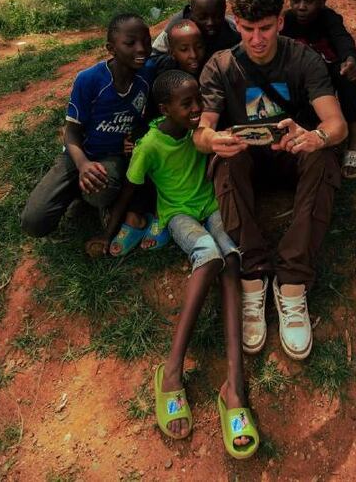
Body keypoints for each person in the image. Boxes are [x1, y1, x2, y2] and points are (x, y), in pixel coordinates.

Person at [95, 70, 259, 458]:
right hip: (179, 214)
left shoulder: (196, 131)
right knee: (210, 257)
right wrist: (108, 232)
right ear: (164, 108)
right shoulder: (150, 144)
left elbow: (211, 138)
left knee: (232, 258)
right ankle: (171, 372)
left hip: (210, 204)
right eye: (187, 103)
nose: (196, 108)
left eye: (197, 100)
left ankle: (235, 384)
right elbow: (132, 188)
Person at [195, 0, 348, 362]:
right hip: (247, 159)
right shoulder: (221, 65)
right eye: (247, 29)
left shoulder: (303, 59)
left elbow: (336, 124)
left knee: (324, 157)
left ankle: (293, 282)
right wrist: (213, 140)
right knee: (225, 161)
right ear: (236, 24)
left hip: (290, 153)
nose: (257, 39)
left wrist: (314, 136)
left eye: (264, 28)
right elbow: (202, 131)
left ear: (280, 22)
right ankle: (252, 273)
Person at [20, 14, 159, 253]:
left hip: (112, 158)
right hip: (78, 155)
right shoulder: (89, 80)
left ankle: (90, 198)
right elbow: (71, 132)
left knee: (100, 190)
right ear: (111, 49)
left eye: (146, 41)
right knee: (34, 223)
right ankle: (74, 186)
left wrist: (137, 132)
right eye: (130, 43)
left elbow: (148, 114)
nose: (141, 49)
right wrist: (82, 164)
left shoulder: (147, 74)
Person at [281, 0, 356, 179]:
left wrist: (350, 59)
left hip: (329, 70)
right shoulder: (286, 21)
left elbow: (342, 39)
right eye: (296, 0)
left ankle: (355, 138)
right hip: (302, 76)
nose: (302, 6)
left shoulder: (329, 19)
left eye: (309, 1)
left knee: (345, 76)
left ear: (322, 1)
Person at [152, 0, 241, 58]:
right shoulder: (175, 27)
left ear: (224, 11)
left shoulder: (233, 31)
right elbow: (154, 56)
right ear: (191, 12)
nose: (210, 23)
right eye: (202, 18)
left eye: (217, 17)